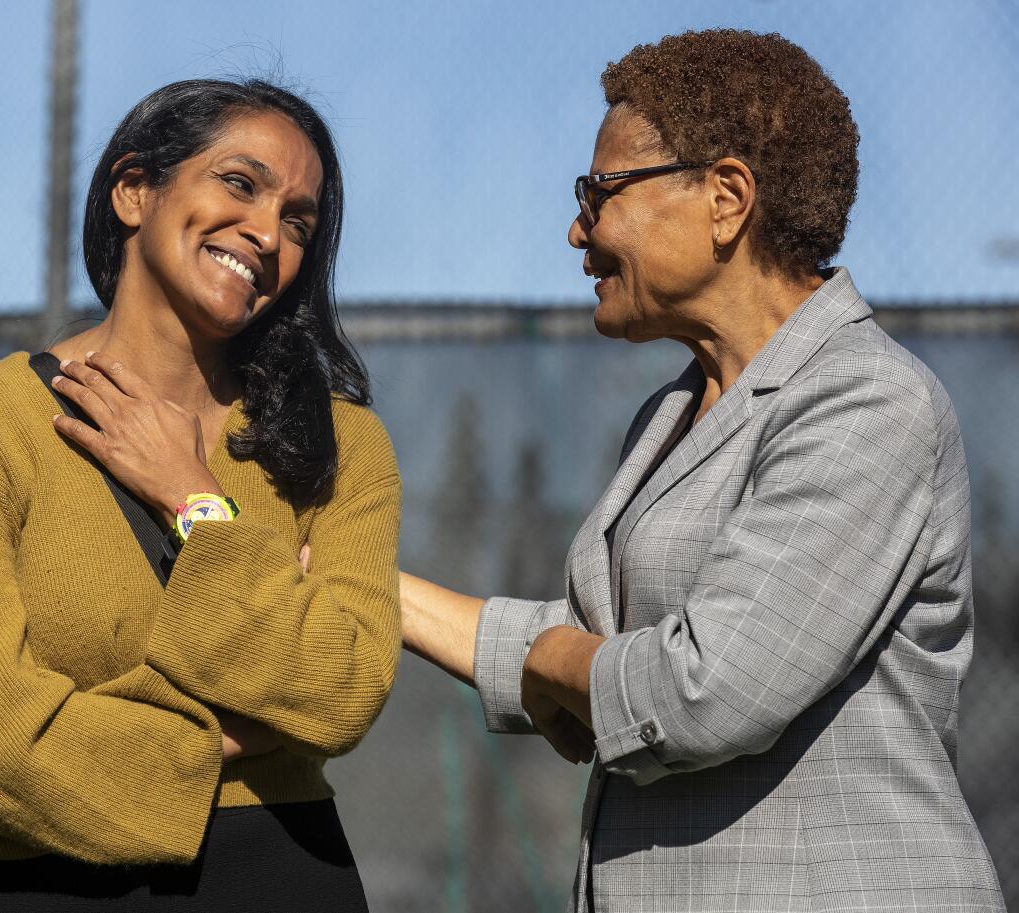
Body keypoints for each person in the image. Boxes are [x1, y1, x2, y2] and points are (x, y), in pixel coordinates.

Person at [401, 29, 1004, 913]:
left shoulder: (869, 403)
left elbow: (700, 688)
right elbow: (600, 645)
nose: (580, 228)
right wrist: (370, 594)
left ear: (726, 197)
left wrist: (574, 664)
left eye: (599, 191)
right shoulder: (674, 413)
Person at [0, 79, 401, 912]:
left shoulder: (343, 447)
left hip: (280, 875)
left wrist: (194, 498)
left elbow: (341, 688)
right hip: (32, 879)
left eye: (299, 221)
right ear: (134, 191)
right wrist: (236, 726)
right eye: (240, 183)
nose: (268, 233)